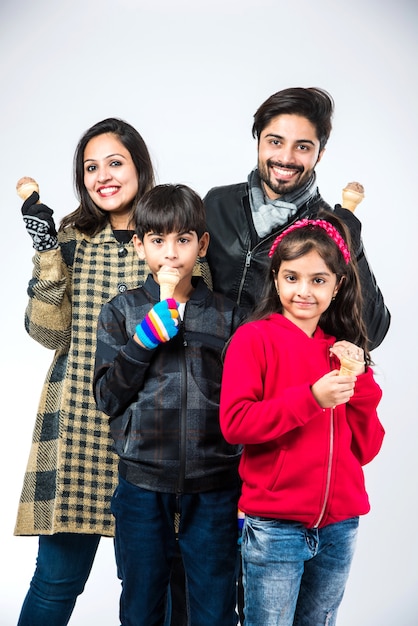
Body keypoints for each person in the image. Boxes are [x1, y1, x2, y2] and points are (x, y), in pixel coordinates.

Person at [15, 119, 201, 625]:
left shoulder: (169, 232)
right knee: (55, 582)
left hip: (153, 434)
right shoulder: (73, 238)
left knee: (151, 587)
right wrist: (46, 253)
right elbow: (49, 334)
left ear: (139, 165)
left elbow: (195, 330)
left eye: (114, 162)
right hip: (78, 421)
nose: (103, 176)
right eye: (90, 167)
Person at [219, 212, 385, 626]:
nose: (304, 291)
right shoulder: (253, 339)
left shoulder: (341, 349)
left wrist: (361, 382)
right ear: (275, 279)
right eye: (292, 277)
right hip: (275, 527)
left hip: (340, 526)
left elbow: (365, 450)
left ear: (338, 285)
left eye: (318, 280)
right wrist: (312, 398)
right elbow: (235, 423)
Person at [93, 183, 245, 626]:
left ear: (202, 245)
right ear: (140, 245)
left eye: (183, 240)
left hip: (215, 485)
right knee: (142, 604)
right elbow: (107, 397)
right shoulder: (121, 311)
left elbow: (242, 401)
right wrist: (143, 341)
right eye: (158, 241)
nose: (171, 254)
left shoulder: (228, 315)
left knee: (215, 606)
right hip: (142, 484)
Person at [204, 86, 390, 351]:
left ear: (319, 154)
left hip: (277, 380)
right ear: (259, 142)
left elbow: (371, 333)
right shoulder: (217, 203)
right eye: (275, 141)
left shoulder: (328, 227)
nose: (286, 158)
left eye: (302, 147)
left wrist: (352, 247)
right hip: (204, 373)